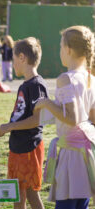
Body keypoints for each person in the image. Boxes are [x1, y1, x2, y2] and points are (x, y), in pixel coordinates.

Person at [34, 26, 95, 209]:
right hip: (87, 154)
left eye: (61, 46)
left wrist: (46, 102)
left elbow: (73, 118)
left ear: (68, 50)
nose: (60, 51)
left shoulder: (66, 78)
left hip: (72, 156)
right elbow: (91, 118)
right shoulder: (90, 78)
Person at [0, 37, 48, 209]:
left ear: (22, 58)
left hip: (29, 148)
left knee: (32, 192)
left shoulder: (36, 85)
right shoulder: (25, 85)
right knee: (17, 193)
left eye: (13, 59)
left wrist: (8, 127)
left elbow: (37, 119)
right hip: (17, 146)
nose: (12, 63)